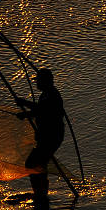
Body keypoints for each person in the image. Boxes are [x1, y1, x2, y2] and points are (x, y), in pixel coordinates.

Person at [16, 68, 65, 200]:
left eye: (38, 80)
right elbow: (41, 111)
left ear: (45, 81)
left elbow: (43, 110)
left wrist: (24, 104)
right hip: (47, 136)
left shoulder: (52, 95)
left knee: (32, 163)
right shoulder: (46, 94)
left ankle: (40, 193)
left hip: (52, 136)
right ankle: (41, 192)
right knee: (40, 163)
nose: (36, 83)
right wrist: (26, 113)